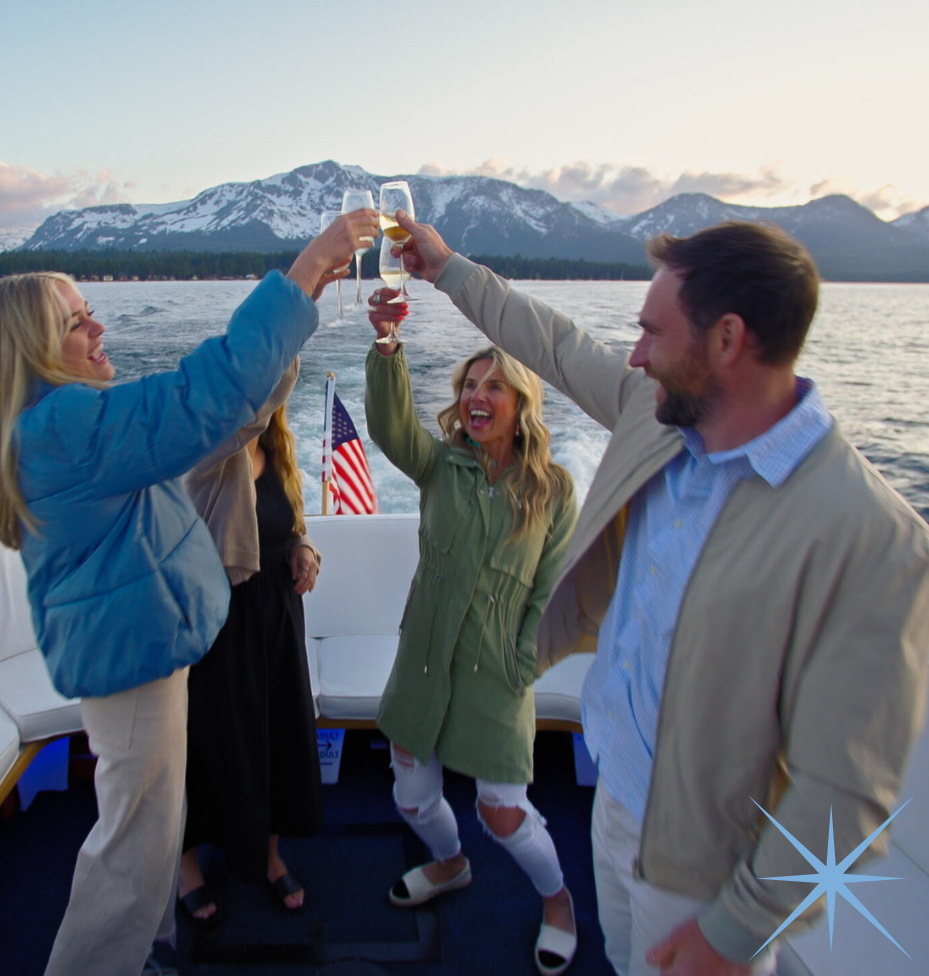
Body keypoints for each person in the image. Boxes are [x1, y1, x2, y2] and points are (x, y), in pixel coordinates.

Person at [375, 213, 929, 976]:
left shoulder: (870, 537)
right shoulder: (658, 416)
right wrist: (445, 269)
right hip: (615, 804)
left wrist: (736, 932)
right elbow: (560, 346)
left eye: (652, 333)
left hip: (712, 865)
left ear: (727, 340)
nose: (634, 354)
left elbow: (850, 798)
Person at [0, 206, 378, 976]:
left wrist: (307, 301)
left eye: (91, 313)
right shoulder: (68, 427)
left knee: (154, 833)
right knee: (133, 849)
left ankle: (151, 948)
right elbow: (203, 397)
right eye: (76, 323)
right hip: (133, 668)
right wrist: (301, 273)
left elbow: (227, 416)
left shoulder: (62, 425)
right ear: (34, 348)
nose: (98, 332)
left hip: (142, 651)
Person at [363, 303, 581, 976]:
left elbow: (550, 590)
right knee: (409, 792)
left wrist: (524, 663)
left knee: (504, 812)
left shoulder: (553, 489)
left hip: (499, 669)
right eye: (469, 385)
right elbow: (391, 427)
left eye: (494, 387)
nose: (476, 397)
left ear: (522, 403)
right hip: (424, 657)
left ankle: (561, 903)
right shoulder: (440, 466)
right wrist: (388, 345)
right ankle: (451, 864)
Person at [178, 359, 323, 925]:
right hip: (223, 623)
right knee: (210, 745)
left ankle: (268, 855)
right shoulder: (215, 453)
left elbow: (286, 527)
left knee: (275, 740)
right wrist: (302, 296)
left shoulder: (281, 454)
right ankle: (185, 863)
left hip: (277, 622)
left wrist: (304, 549)